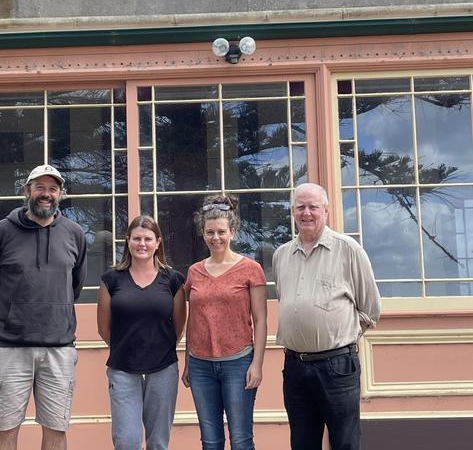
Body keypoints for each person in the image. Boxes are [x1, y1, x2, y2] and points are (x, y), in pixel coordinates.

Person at [0, 164, 87, 450]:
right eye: (40, 187)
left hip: (59, 349)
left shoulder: (73, 233)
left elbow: (74, 286)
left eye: (52, 189)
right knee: (5, 429)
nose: (46, 194)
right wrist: (12, 313)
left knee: (56, 429)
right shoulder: (1, 232)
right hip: (10, 347)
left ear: (60, 194)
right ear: (27, 190)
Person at [272, 183, 381, 450]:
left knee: (344, 442)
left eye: (313, 207)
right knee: (302, 442)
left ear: (326, 211)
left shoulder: (348, 250)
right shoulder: (281, 255)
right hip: (295, 367)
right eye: (300, 207)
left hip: (337, 367)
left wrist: (338, 339)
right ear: (293, 212)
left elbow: (370, 308)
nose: (306, 213)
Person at [182, 195, 268, 450]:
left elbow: (261, 320)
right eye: (210, 232)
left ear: (233, 231)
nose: (215, 237)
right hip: (200, 366)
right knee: (210, 441)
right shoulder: (194, 271)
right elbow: (193, 320)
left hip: (238, 363)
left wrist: (257, 364)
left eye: (221, 231)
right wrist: (188, 362)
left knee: (241, 440)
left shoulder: (251, 269)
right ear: (202, 233)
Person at [97, 215, 187, 450]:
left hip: (163, 367)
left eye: (148, 238)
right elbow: (103, 328)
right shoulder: (111, 280)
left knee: (158, 441)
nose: (142, 244)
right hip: (122, 368)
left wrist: (159, 346)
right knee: (126, 440)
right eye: (136, 238)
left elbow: (179, 325)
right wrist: (127, 346)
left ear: (158, 242)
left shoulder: (173, 280)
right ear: (127, 241)